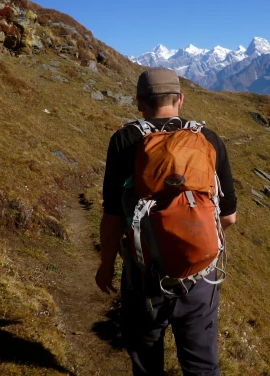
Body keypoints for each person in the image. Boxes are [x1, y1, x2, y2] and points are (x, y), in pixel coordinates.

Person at [95, 67, 237, 376]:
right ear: (180, 100)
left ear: (139, 102)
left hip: (143, 275)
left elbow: (113, 217)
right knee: (201, 367)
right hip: (199, 277)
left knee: (146, 363)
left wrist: (107, 264)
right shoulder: (208, 138)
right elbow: (229, 217)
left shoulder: (124, 140)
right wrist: (192, 241)